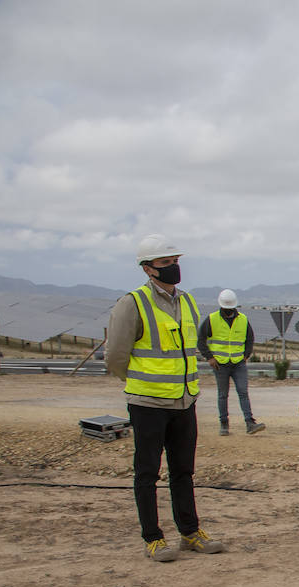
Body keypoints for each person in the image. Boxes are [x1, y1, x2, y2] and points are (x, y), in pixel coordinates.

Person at [106, 234, 224, 561]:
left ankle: (189, 532)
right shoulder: (133, 303)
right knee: (147, 473)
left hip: (184, 401)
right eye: (165, 262)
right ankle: (153, 538)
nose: (173, 267)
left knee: (183, 471)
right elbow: (115, 356)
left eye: (175, 261)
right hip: (148, 404)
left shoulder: (187, 302)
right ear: (148, 268)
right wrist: (140, 382)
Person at [197, 288, 266, 436]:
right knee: (223, 394)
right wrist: (209, 357)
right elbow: (200, 339)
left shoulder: (243, 320)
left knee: (243, 392)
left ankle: (250, 423)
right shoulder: (212, 319)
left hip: (238, 363)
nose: (228, 310)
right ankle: (224, 424)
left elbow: (249, 339)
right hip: (220, 364)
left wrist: (246, 355)